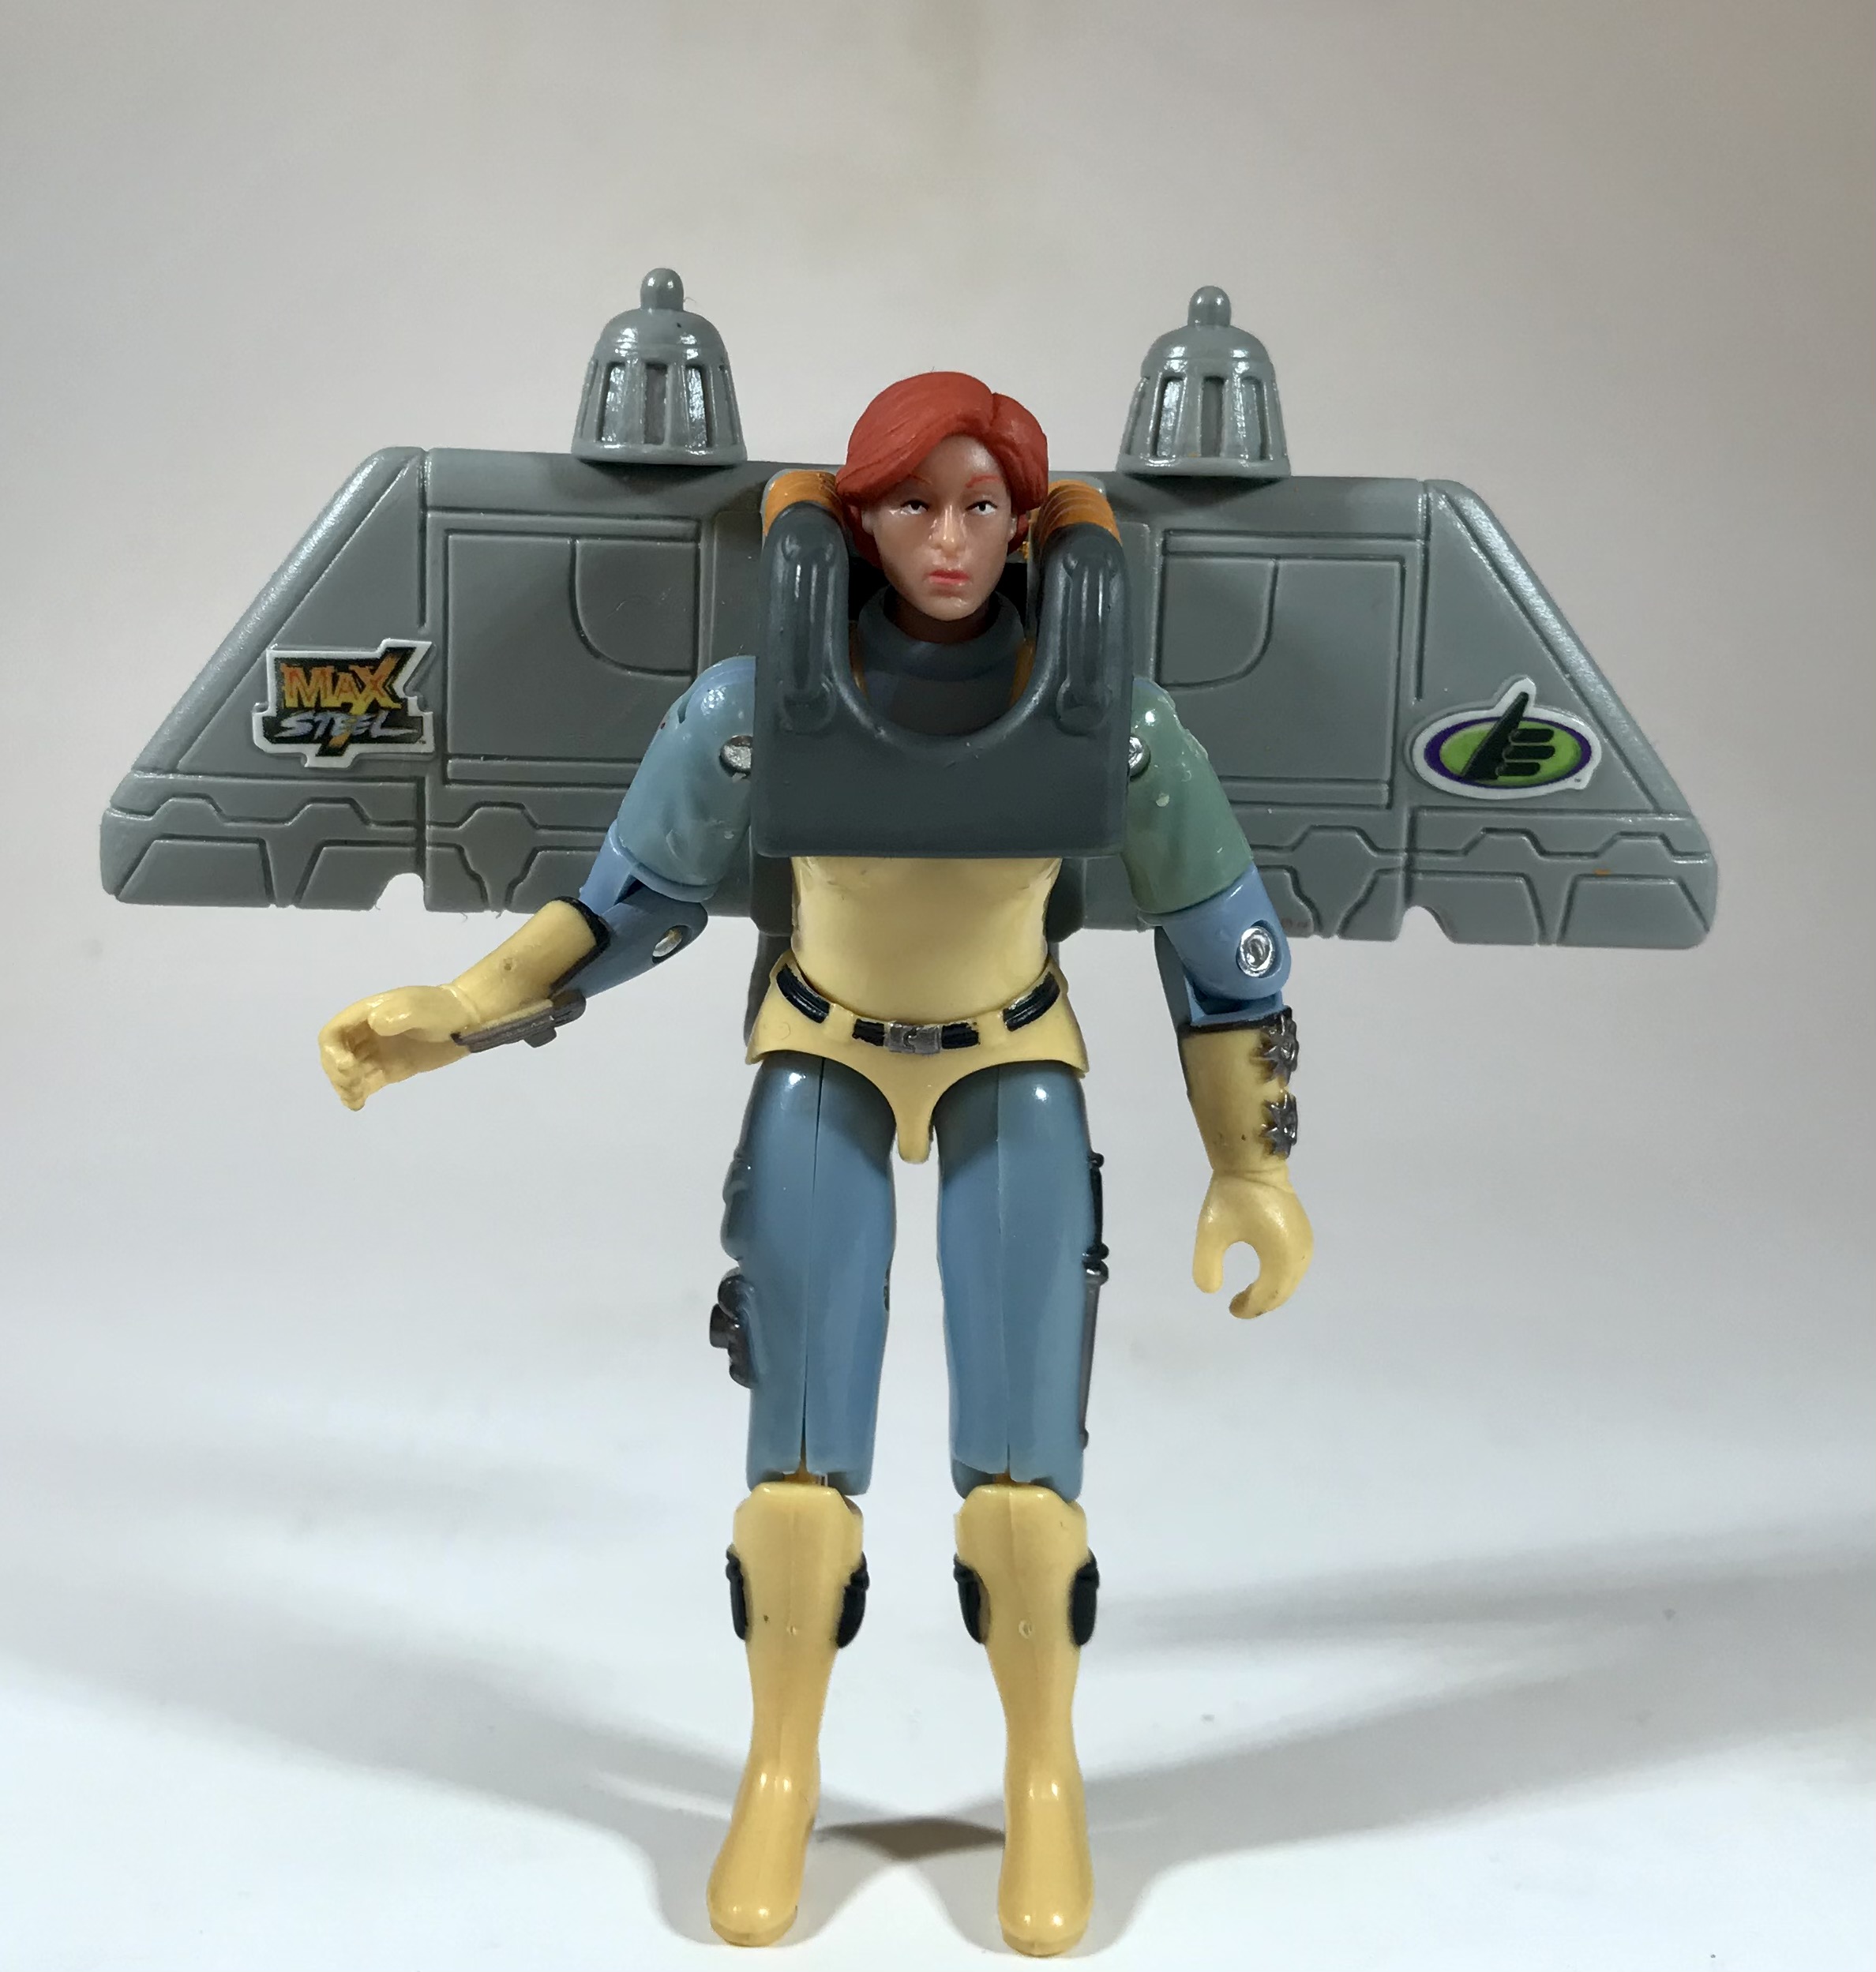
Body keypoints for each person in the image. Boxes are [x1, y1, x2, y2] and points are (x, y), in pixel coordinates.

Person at [318, 371, 1311, 1957]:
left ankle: (1042, 1771)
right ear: (856, 523)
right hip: (823, 1053)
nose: (949, 537)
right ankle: (780, 1768)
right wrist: (468, 1006)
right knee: (796, 1467)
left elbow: (1226, 954)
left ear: (1028, 526)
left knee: (1025, 1479)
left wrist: (1251, 1160)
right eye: (916, 503)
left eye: (982, 505)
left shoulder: (1111, 716)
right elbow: (629, 904)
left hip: (1013, 1061)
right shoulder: (747, 708)